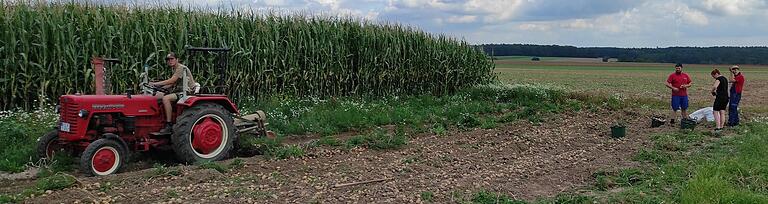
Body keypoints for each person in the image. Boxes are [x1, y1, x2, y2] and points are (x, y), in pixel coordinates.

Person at [151, 52, 197, 134]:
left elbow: (172, 80)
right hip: (178, 90)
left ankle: (169, 124)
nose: (170, 61)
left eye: (172, 59)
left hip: (187, 92)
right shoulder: (174, 69)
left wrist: (155, 83)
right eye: (168, 59)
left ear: (177, 60)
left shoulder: (181, 68)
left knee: (166, 98)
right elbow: (171, 84)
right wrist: (158, 88)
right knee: (156, 96)